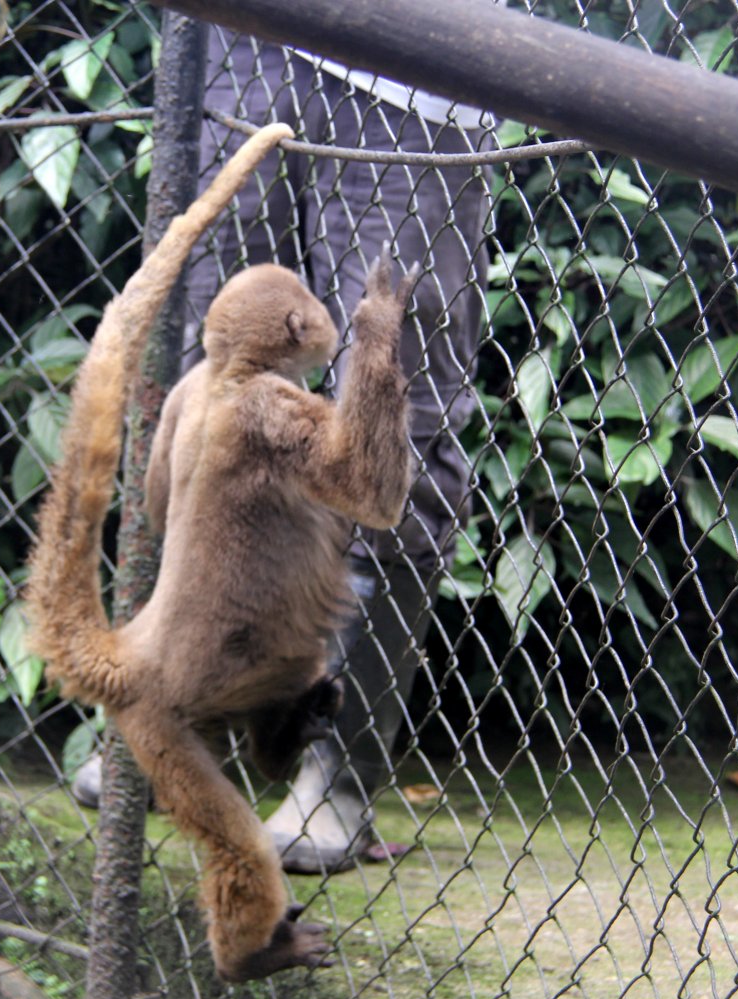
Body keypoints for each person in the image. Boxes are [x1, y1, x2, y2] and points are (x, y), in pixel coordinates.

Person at [71, 28, 495, 874]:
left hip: (416, 58)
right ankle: (190, 721)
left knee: (395, 412)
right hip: (241, 42)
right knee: (210, 391)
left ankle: (336, 775)